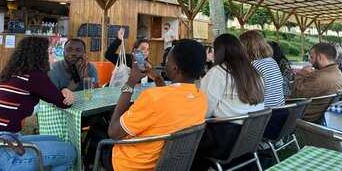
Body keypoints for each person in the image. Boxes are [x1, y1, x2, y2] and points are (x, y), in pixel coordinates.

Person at [0, 36, 76, 171]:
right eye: (51, 52)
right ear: (40, 56)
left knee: (57, 139)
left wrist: (63, 90)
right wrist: (65, 90)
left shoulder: (14, 74)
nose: (54, 56)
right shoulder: (34, 76)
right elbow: (64, 102)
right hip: (1, 152)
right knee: (69, 151)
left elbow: (55, 96)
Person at [106, 39, 207, 171]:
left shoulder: (152, 98)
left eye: (167, 60)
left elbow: (113, 133)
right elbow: (169, 100)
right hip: (170, 165)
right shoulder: (201, 99)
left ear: (174, 68)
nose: (165, 63)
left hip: (132, 165)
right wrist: (158, 79)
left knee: (97, 134)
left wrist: (131, 81)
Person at [192, 34, 264, 170]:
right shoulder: (255, 73)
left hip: (224, 141)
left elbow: (204, 111)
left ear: (219, 51)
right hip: (250, 138)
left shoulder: (218, 72)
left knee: (188, 138)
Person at [240, 30, 285, 107]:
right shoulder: (272, 61)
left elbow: (247, 93)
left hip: (265, 114)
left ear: (245, 48)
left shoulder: (253, 65)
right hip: (280, 109)